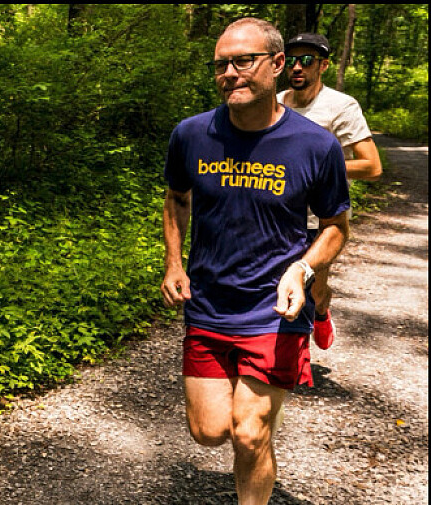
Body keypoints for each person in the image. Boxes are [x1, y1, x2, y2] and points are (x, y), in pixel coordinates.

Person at [161, 18, 350, 505]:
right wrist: (174, 263)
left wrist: (301, 270)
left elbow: (335, 226)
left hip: (276, 309)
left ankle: (259, 428)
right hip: (208, 304)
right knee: (209, 432)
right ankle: (259, 414)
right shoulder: (191, 134)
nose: (230, 73)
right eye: (221, 64)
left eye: (244, 61)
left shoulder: (316, 145)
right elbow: (176, 198)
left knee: (248, 433)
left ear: (277, 64)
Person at [277, 32, 382, 350]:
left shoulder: (340, 106)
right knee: (279, 286)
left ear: (323, 65)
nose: (298, 67)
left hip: (321, 220)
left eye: (307, 60)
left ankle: (321, 311)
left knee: (314, 290)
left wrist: (316, 171)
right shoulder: (275, 104)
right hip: (277, 215)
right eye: (292, 60)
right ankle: (290, 356)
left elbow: (372, 166)